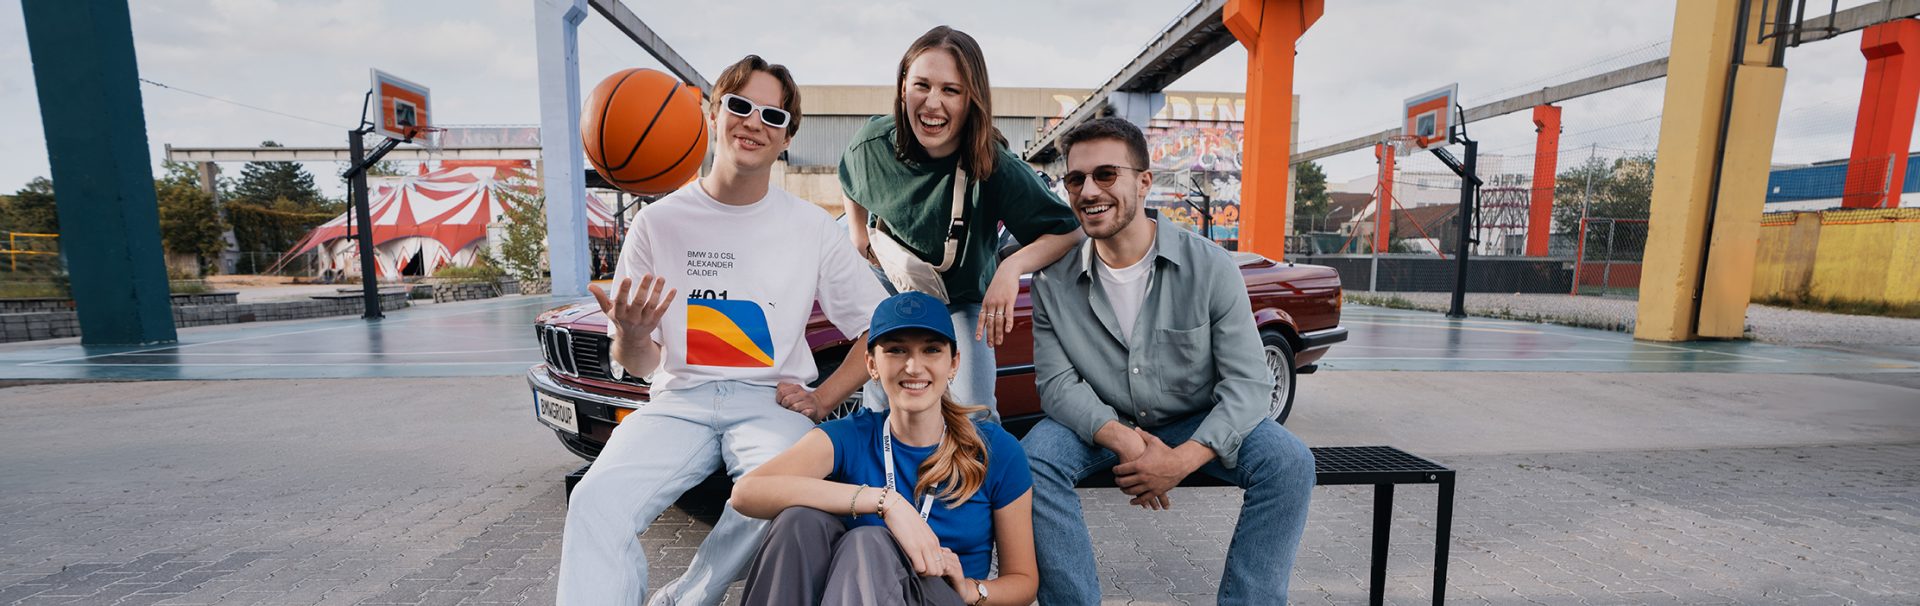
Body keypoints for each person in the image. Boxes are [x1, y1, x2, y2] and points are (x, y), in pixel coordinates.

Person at [556, 55, 888, 606]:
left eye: (772, 116)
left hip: (768, 401)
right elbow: (640, 363)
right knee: (595, 500)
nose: (753, 123)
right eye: (739, 106)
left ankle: (685, 599)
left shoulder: (809, 227)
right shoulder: (657, 223)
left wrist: (824, 398)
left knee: (789, 499)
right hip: (679, 398)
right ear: (713, 114)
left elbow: (877, 330)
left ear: (787, 138)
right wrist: (633, 335)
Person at [1019, 116, 1317, 605]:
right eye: (1076, 179)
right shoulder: (1053, 281)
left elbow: (1248, 384)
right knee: (1031, 461)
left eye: (1106, 175)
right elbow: (1056, 384)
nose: (1089, 190)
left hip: (1195, 419)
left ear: (1144, 181)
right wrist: (1126, 442)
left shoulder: (1210, 266)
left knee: (1289, 463)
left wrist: (1181, 460)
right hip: (1101, 422)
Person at [731, 291, 1037, 606]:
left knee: (868, 542)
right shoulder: (852, 436)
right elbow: (747, 492)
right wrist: (882, 501)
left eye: (931, 350)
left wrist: (972, 590)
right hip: (859, 593)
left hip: (941, 596)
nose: (914, 366)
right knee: (800, 521)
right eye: (896, 350)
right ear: (872, 365)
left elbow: (1024, 582)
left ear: (953, 363)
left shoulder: (993, 449)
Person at [840, 25, 1082, 419]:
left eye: (950, 90)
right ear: (903, 87)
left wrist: (1011, 267)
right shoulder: (871, 143)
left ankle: (975, 478)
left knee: (975, 414)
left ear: (972, 99)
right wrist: (856, 231)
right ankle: (883, 479)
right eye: (922, 85)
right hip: (893, 287)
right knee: (881, 407)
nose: (932, 104)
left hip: (962, 297)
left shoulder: (995, 165)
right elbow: (848, 177)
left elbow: (1067, 230)